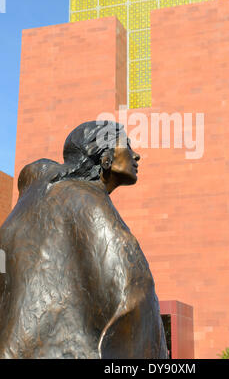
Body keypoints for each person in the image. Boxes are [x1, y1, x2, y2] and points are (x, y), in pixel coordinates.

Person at [0, 121, 168, 359]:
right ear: (105, 158)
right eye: (127, 146)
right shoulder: (87, 201)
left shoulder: (32, 205)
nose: (136, 155)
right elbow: (134, 288)